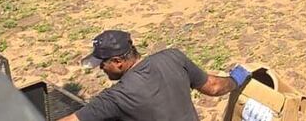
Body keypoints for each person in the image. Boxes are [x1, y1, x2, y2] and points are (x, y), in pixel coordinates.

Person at [60, 29, 251, 121]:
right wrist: (235, 79)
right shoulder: (173, 57)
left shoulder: (116, 97)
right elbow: (214, 87)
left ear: (118, 62)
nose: (101, 69)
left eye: (102, 64)